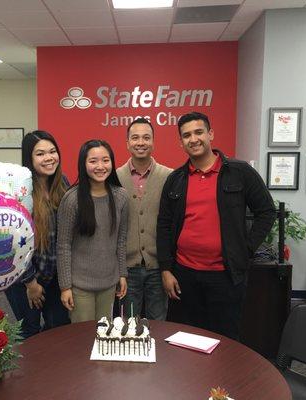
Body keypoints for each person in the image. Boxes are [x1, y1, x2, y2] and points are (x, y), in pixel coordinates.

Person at [157, 112, 275, 339]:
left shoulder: (240, 173)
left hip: (225, 276)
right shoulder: (176, 179)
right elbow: (163, 225)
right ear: (180, 142)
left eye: (199, 132)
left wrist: (246, 248)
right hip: (184, 276)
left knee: (225, 340)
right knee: (186, 339)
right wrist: (165, 269)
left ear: (210, 134)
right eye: (186, 135)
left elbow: (266, 211)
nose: (193, 139)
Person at [4, 130, 70, 338]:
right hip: (23, 279)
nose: (49, 158)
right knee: (30, 333)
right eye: (40, 154)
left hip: (54, 276)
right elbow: (13, 242)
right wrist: (31, 283)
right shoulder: (20, 190)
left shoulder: (63, 183)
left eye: (52, 151)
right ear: (29, 159)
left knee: (59, 328)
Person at [57, 140, 128, 322]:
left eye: (105, 160)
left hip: (109, 283)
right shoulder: (72, 199)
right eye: (93, 161)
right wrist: (65, 287)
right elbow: (63, 246)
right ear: (83, 164)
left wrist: (122, 274)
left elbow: (121, 240)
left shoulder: (121, 196)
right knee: (83, 340)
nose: (100, 166)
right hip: (79, 286)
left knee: (104, 338)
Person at [116, 118, 172, 320]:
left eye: (146, 137)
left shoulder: (169, 176)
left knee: (158, 323)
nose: (141, 142)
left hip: (158, 268)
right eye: (135, 138)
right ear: (127, 143)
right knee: (128, 325)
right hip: (127, 269)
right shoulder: (114, 177)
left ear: (153, 142)